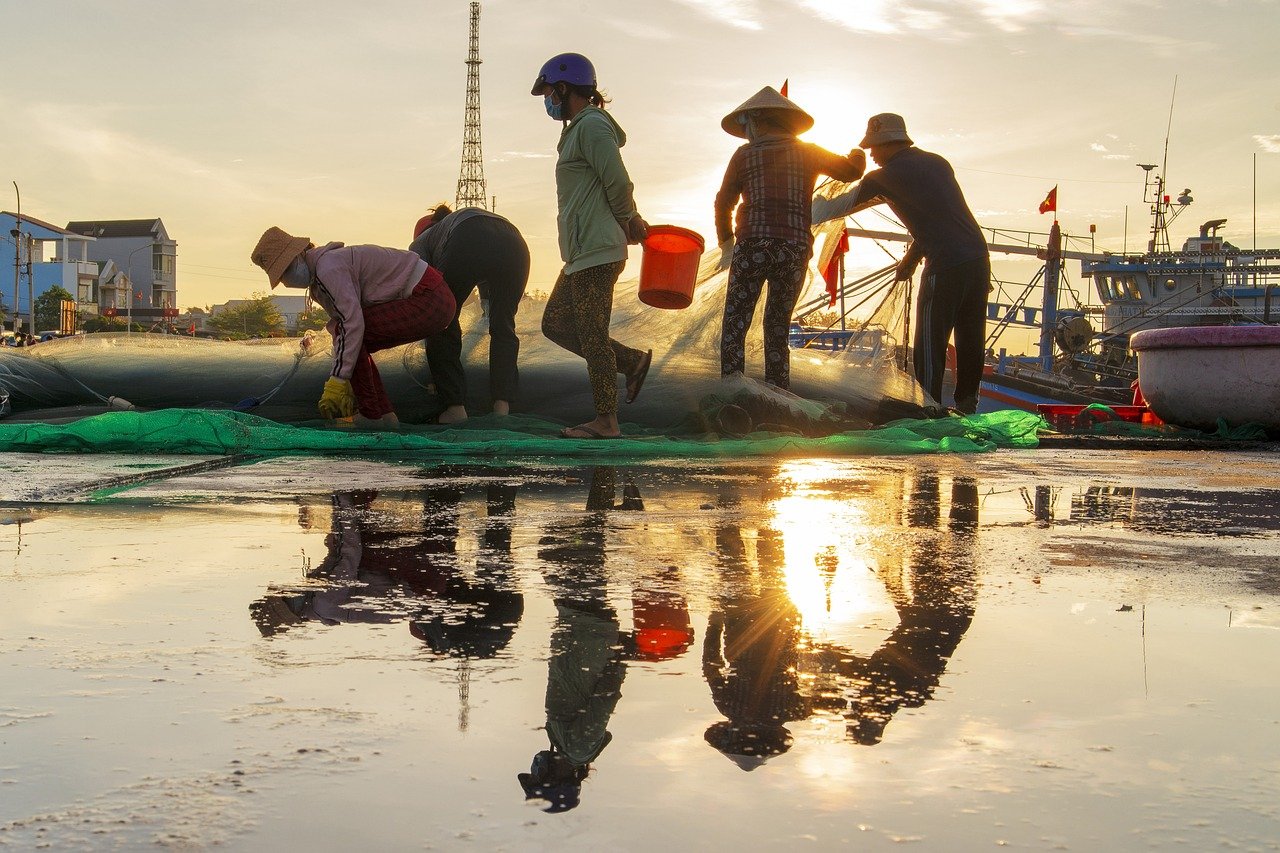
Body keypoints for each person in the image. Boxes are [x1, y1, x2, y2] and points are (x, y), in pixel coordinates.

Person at [816, 113, 990, 415]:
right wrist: (910, 259)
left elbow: (838, 207)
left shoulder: (882, 177)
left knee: (930, 338)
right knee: (970, 335)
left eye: (872, 148)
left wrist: (802, 206)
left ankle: (929, 406)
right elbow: (936, 217)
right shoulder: (937, 162)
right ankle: (967, 403)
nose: (871, 154)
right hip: (978, 259)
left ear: (885, 144)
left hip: (946, 263)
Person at [530, 52, 652, 440]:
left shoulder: (592, 125)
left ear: (565, 89)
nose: (547, 100)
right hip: (582, 252)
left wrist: (627, 217)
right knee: (555, 324)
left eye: (549, 92)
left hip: (598, 250)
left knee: (592, 335)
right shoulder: (577, 130)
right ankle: (631, 362)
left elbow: (616, 179)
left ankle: (606, 421)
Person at [714, 86, 866, 390]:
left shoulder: (744, 155)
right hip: (793, 250)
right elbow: (851, 172)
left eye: (748, 125)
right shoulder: (808, 151)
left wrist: (726, 243)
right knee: (777, 326)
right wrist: (858, 154)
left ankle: (732, 393)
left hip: (752, 246)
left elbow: (724, 202)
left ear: (759, 121)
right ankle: (778, 393)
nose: (747, 132)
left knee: (735, 323)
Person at [250, 226, 456, 427]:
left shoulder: (328, 267)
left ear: (298, 256)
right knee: (351, 338)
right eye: (280, 277)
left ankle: (372, 414)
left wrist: (338, 380)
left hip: (430, 298)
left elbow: (351, 324)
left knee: (351, 335)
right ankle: (384, 416)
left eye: (285, 271)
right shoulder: (321, 276)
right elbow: (344, 325)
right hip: (435, 298)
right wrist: (347, 379)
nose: (286, 281)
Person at [409, 203, 530, 423]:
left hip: (470, 236)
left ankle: (455, 408)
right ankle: (502, 408)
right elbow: (487, 305)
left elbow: (422, 291)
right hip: (515, 243)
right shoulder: (452, 226)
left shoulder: (421, 242)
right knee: (503, 325)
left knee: (441, 319)